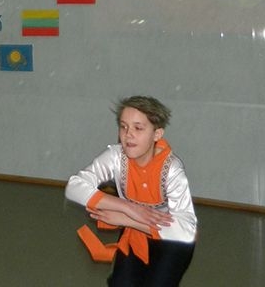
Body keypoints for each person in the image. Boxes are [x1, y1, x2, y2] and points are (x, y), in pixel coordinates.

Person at [65, 95, 196, 286]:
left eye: (138, 128)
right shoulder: (115, 156)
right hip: (136, 237)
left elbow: (185, 231)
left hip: (173, 243)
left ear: (157, 134)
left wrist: (126, 220)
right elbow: (74, 186)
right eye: (123, 126)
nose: (128, 135)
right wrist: (127, 207)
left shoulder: (172, 170)